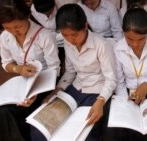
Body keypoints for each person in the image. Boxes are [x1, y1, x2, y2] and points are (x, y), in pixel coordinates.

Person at [30, 3, 117, 141]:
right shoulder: (68, 43)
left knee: (83, 133)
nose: (71, 39)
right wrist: (57, 90)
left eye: (74, 34)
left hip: (97, 92)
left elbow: (111, 79)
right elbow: (70, 72)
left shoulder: (102, 45)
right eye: (65, 35)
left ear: (85, 26)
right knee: (39, 131)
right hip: (76, 88)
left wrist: (100, 102)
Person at [0, 0, 60, 140]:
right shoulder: (5, 37)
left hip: (44, 85)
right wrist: (18, 68)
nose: (13, 32)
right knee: (2, 112)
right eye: (7, 28)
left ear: (28, 16)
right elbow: (6, 64)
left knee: (11, 114)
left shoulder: (45, 36)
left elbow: (55, 69)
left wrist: (36, 91)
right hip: (22, 85)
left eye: (17, 26)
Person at [103, 8, 147, 141]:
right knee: (114, 131)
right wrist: (125, 103)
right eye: (129, 39)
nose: (135, 44)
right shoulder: (118, 49)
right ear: (123, 33)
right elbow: (120, 81)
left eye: (141, 39)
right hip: (127, 94)